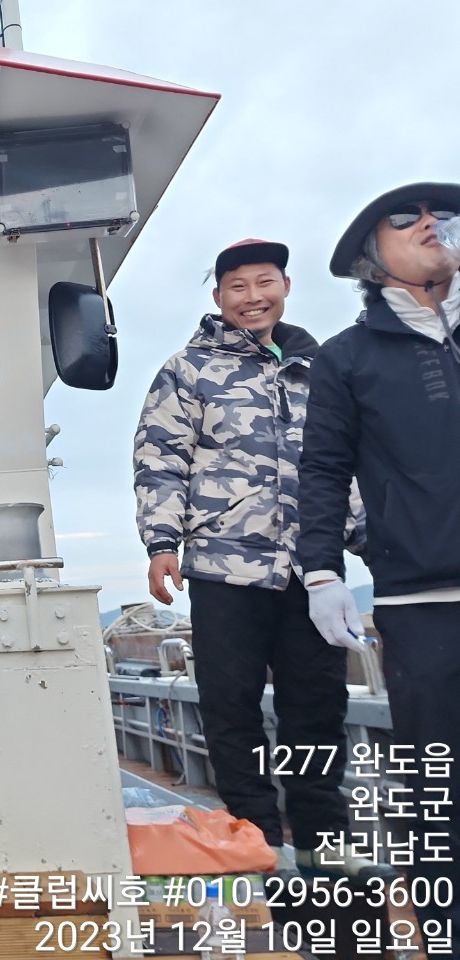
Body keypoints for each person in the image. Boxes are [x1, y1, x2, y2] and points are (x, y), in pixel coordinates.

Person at [133, 239, 389, 880]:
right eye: (238, 286)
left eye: (265, 282)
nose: (253, 297)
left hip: (314, 572)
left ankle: (324, 850)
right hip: (225, 571)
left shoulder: (323, 368)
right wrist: (162, 544)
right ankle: (256, 846)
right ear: (219, 296)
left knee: (317, 709)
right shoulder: (187, 369)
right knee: (231, 707)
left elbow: (350, 465)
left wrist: (379, 548)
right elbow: (161, 460)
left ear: (286, 287)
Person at [298, 182, 460, 928]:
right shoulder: (347, 359)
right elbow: (324, 470)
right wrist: (322, 572)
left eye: (442, 216)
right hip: (420, 603)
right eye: (406, 218)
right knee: (440, 792)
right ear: (374, 256)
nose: (430, 224)